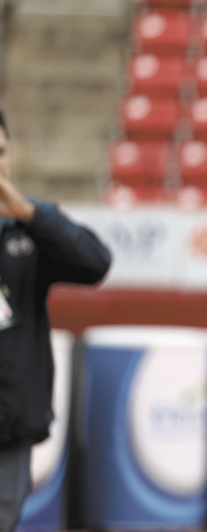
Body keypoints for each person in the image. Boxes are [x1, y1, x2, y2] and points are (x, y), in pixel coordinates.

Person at [0, 109, 112, 532]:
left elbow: (95, 263)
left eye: (0, 152)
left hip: (9, 432)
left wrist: (31, 213)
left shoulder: (27, 226)